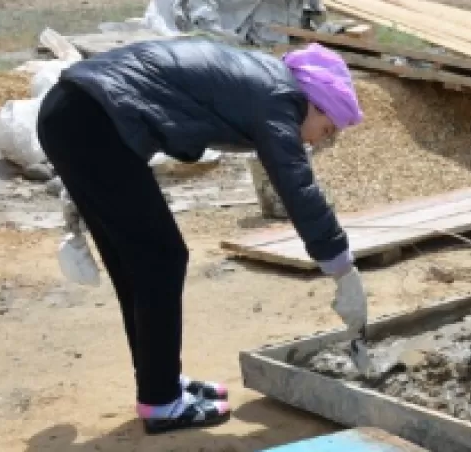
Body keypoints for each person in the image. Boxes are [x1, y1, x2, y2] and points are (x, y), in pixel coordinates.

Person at [36, 40, 368, 435]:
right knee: (162, 258)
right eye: (325, 128)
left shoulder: (268, 83)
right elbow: (297, 188)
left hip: (74, 114)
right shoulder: (282, 100)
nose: (316, 140)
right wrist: (343, 270)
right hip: (92, 122)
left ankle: (160, 386)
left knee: (138, 265)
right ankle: (162, 402)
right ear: (315, 101)